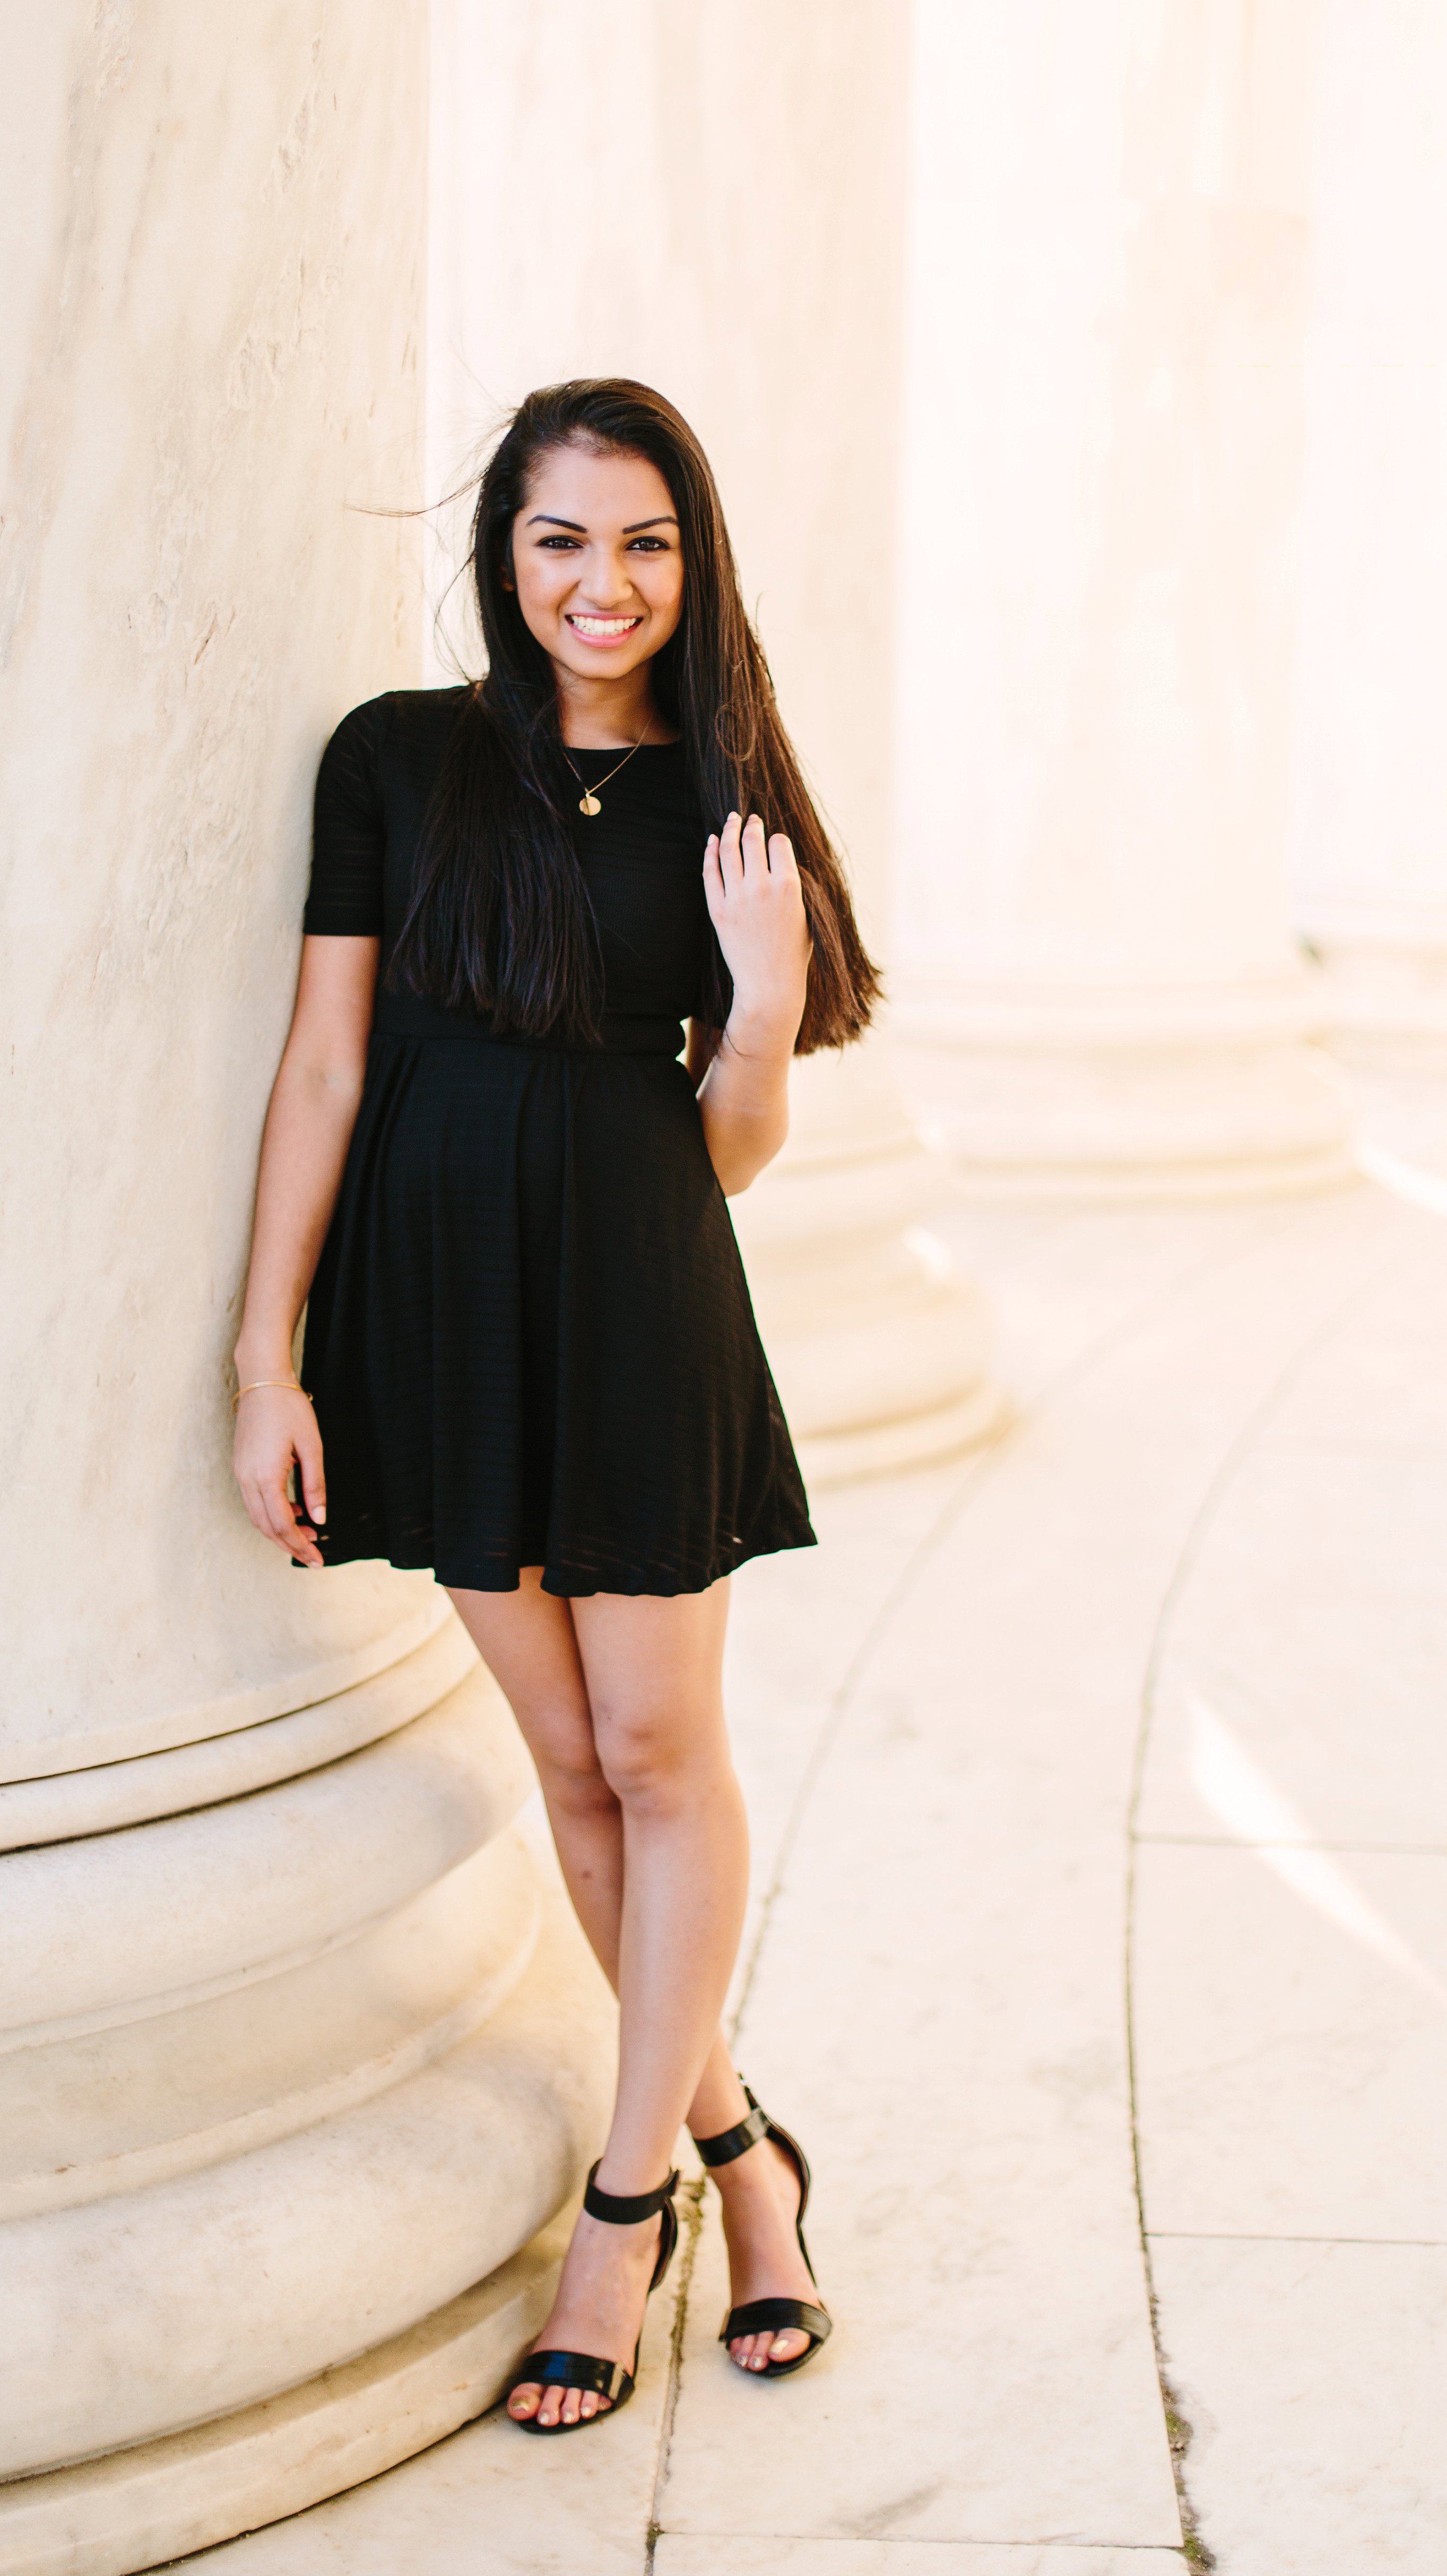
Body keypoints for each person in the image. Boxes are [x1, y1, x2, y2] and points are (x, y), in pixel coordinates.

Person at [230, 378, 877, 2436]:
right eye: (559, 540)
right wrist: (267, 1356)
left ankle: (626, 2204)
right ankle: (740, 2153)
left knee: (656, 1748)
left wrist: (759, 1007)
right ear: (503, 556)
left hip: (633, 1303)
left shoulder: (724, 798)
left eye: (642, 542)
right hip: (432, 1313)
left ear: (691, 564)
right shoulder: (399, 760)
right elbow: (324, 1066)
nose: (602, 584)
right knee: (568, 1767)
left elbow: (731, 1149)